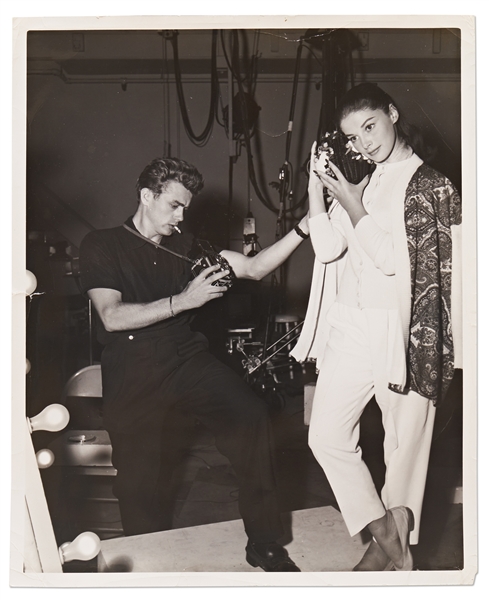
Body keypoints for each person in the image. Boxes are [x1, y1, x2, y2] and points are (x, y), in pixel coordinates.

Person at [79, 157, 310, 572]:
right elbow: (111, 316)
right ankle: (146, 559)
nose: (181, 216)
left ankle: (263, 541)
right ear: (146, 197)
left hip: (186, 357)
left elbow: (254, 268)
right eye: (174, 205)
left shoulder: (187, 247)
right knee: (139, 483)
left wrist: (305, 228)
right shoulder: (103, 244)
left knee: (251, 415)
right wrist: (185, 300)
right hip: (133, 367)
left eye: (186, 207)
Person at [291, 83, 462, 571]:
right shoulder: (364, 177)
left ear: (392, 114)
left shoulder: (427, 184)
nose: (364, 142)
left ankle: (385, 560)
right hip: (349, 325)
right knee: (324, 435)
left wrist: (352, 202)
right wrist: (316, 191)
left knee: (401, 453)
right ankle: (388, 535)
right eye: (353, 136)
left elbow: (395, 260)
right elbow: (327, 249)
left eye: (370, 126)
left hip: (398, 329)